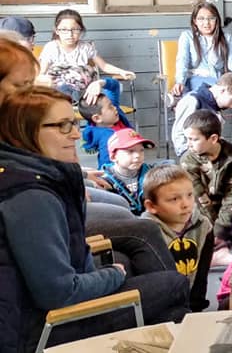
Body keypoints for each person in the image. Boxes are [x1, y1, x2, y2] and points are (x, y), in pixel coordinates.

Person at [0, 86, 189, 351]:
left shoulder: (28, 174)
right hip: (39, 329)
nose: (76, 134)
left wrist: (107, 275)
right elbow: (58, 292)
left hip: (41, 308)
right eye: (64, 126)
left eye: (74, 123)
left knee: (164, 307)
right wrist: (111, 275)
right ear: (27, 131)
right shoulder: (31, 196)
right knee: (175, 285)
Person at [179, 109, 232, 266]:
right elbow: (198, 198)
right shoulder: (188, 160)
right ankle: (213, 250)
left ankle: (218, 248)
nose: (188, 144)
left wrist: (221, 228)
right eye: (187, 139)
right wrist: (214, 231)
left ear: (213, 138)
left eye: (193, 139)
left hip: (227, 210)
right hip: (200, 210)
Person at [39, 8, 135, 121]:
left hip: (85, 91)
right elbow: (41, 74)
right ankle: (70, 108)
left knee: (113, 90)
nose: (70, 34)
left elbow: (103, 66)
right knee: (63, 85)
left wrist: (121, 71)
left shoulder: (85, 47)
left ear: (81, 30)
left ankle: (103, 128)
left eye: (75, 29)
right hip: (61, 92)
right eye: (64, 30)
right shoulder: (52, 47)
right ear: (57, 30)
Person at [142, 164, 214, 312]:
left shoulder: (204, 226)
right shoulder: (145, 232)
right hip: (161, 308)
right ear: (151, 206)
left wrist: (196, 306)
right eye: (174, 199)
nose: (186, 204)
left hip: (193, 302)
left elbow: (202, 272)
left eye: (189, 195)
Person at [172, 1, 232, 96]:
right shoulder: (187, 36)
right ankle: (192, 100)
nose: (206, 23)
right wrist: (180, 81)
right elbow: (182, 61)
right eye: (201, 19)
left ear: (217, 20)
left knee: (227, 89)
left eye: (211, 18)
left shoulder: (226, 38)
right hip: (195, 79)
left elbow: (231, 63)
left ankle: (192, 101)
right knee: (212, 92)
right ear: (195, 21)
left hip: (216, 81)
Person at [170, 71, 232, 157]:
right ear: (222, 90)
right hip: (194, 159)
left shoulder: (215, 107)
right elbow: (179, 135)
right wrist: (190, 158)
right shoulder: (192, 101)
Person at [101, 128, 158, 215]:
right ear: (113, 157)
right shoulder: (104, 181)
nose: (138, 155)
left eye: (141, 150)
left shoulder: (152, 174)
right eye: (130, 151)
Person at [79, 92, 129, 168]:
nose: (115, 107)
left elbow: (114, 88)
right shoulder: (108, 139)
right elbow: (106, 165)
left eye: (112, 105)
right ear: (97, 118)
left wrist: (100, 83)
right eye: (110, 107)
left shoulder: (113, 121)